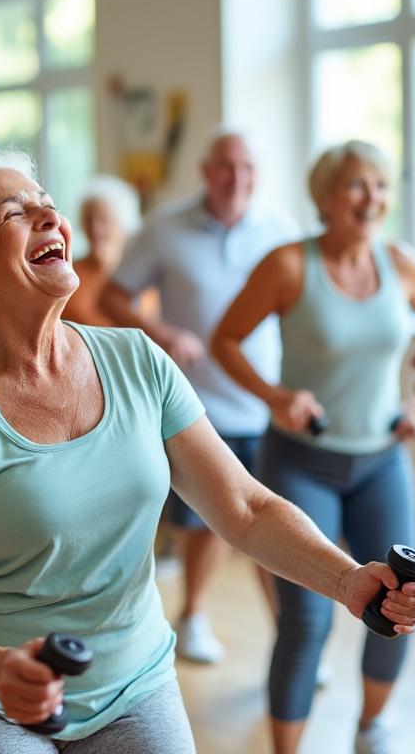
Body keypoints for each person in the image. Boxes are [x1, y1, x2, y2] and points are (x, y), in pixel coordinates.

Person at [0, 151, 415, 754]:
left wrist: (348, 579)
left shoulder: (138, 361)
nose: (50, 217)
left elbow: (244, 509)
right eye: (18, 212)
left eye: (48, 204)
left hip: (132, 681)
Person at [212, 140, 415, 754]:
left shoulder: (398, 265)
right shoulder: (290, 264)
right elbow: (227, 340)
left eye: (378, 185)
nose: (370, 197)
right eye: (355, 185)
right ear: (324, 197)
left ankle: (372, 727)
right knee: (307, 618)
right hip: (301, 463)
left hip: (382, 460)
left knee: (401, 603)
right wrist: (274, 396)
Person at [99, 129, 292, 664]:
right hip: (196, 405)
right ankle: (194, 616)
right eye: (226, 167)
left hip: (266, 401)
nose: (237, 178)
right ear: (207, 171)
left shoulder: (279, 231)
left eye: (247, 168)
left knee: (275, 520)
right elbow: (114, 297)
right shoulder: (165, 228)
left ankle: (290, 639)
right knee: (211, 524)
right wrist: (162, 333)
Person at [61, 175, 141, 326]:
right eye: (89, 219)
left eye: (104, 220)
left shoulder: (139, 275)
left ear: (124, 224)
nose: (95, 229)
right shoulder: (67, 272)